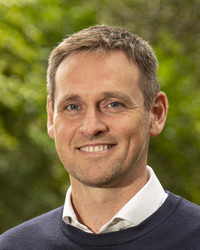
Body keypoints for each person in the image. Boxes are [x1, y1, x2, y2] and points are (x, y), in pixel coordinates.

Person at [1, 24, 200, 250]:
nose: (91, 126)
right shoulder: (13, 246)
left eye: (114, 104)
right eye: (73, 106)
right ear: (51, 118)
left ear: (156, 113)